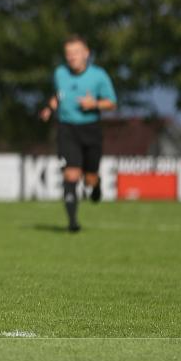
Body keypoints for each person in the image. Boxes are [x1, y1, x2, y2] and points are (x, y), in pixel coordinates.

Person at [40, 34, 117, 232]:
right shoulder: (60, 73)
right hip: (67, 128)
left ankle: (95, 183)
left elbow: (112, 103)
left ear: (86, 54)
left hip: (90, 128)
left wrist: (95, 104)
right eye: (68, 54)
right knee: (71, 173)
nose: (71, 57)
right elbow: (59, 95)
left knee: (89, 177)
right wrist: (50, 107)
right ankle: (72, 222)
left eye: (75, 53)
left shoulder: (99, 76)